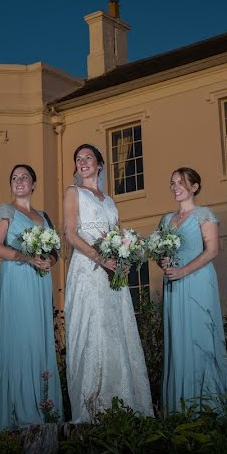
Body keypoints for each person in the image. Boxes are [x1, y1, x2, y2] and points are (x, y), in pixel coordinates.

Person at [63, 144, 153, 422]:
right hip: (87, 269)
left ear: (100, 164)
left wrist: (124, 259)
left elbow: (119, 236)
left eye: (88, 157)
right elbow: (70, 233)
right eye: (78, 159)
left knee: (117, 330)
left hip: (113, 272)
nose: (83, 162)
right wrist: (100, 258)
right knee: (93, 328)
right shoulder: (73, 192)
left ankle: (123, 401)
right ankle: (92, 404)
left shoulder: (110, 201)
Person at [0, 164, 63, 431]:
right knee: (20, 337)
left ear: (33, 184)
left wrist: (48, 260)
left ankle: (45, 407)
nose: (19, 181)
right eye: (15, 178)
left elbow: (55, 250)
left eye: (25, 177)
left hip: (40, 281)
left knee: (38, 337)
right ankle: (19, 409)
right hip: (17, 278)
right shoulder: (4, 211)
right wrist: (27, 257)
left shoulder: (43, 216)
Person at [159, 167, 227, 415]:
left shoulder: (204, 214)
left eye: (181, 182)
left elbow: (211, 251)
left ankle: (209, 407)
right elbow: (160, 252)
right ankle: (180, 408)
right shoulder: (166, 220)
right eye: (172, 183)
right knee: (178, 339)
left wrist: (183, 271)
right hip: (173, 284)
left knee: (199, 336)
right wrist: (164, 263)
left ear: (194, 187)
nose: (175, 186)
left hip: (197, 280)